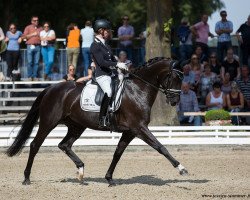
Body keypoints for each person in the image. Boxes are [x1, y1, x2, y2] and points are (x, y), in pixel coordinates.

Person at [90, 19, 127, 127]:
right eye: (107, 31)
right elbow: (101, 62)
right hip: (102, 75)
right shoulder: (94, 46)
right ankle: (102, 118)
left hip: (111, 73)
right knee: (109, 92)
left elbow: (112, 60)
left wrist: (121, 64)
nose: (109, 32)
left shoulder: (106, 45)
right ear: (101, 31)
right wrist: (116, 65)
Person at [22, 16, 43, 81]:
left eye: (37, 20)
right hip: (30, 46)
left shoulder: (41, 28)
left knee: (36, 62)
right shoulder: (28, 27)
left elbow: (43, 36)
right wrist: (33, 34)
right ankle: (29, 76)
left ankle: (35, 76)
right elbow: (23, 37)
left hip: (38, 46)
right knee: (30, 62)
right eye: (34, 20)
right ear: (31, 21)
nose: (36, 21)